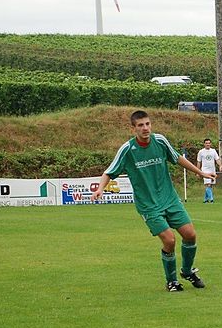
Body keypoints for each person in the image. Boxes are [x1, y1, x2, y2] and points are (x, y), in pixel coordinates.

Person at [92, 110, 214, 292]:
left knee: (190, 235)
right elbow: (109, 172)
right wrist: (100, 189)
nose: (145, 128)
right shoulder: (128, 149)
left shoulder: (160, 141)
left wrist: (201, 173)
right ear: (133, 128)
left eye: (147, 124)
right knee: (170, 240)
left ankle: (187, 271)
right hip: (148, 206)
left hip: (170, 199)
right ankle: (172, 281)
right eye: (140, 125)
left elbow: (177, 158)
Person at [197, 138, 222, 203]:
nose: (208, 144)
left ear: (210, 144)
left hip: (212, 170)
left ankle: (205, 200)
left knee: (210, 185)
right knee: (208, 184)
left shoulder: (213, 151)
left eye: (209, 143)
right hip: (205, 170)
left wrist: (220, 165)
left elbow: (217, 159)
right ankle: (211, 199)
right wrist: (197, 171)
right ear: (204, 144)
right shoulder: (201, 152)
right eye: (206, 143)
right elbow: (199, 162)